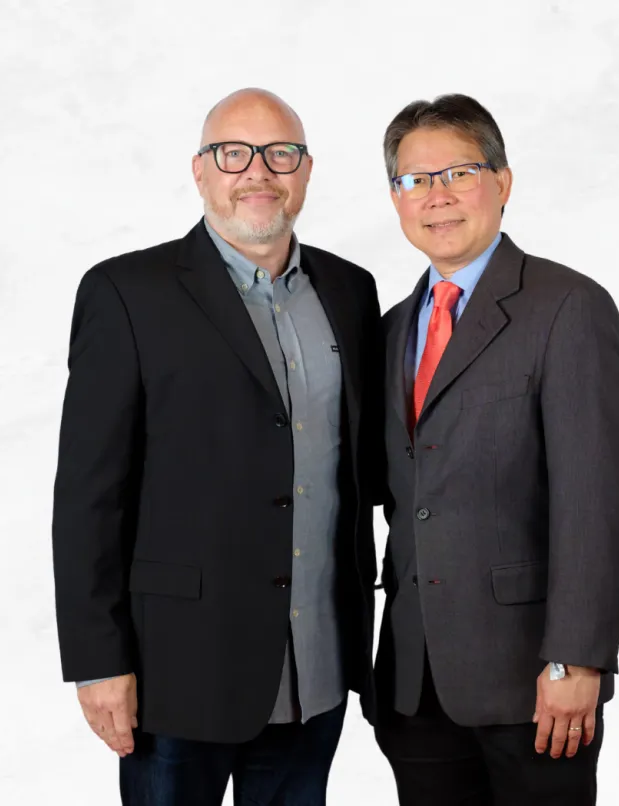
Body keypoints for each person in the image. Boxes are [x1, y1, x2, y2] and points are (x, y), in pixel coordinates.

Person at [50, 87, 384, 806]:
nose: (258, 172)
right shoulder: (126, 292)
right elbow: (88, 495)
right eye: (233, 153)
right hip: (177, 672)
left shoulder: (352, 292)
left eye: (280, 154)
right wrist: (97, 660)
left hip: (316, 669)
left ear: (306, 170)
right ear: (201, 171)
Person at [371, 93, 619, 805]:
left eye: (458, 172)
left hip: (531, 685)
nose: (438, 196)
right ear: (395, 198)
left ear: (503, 182)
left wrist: (576, 659)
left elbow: (596, 498)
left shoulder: (566, 307)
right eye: (414, 180)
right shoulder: (394, 326)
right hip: (413, 684)